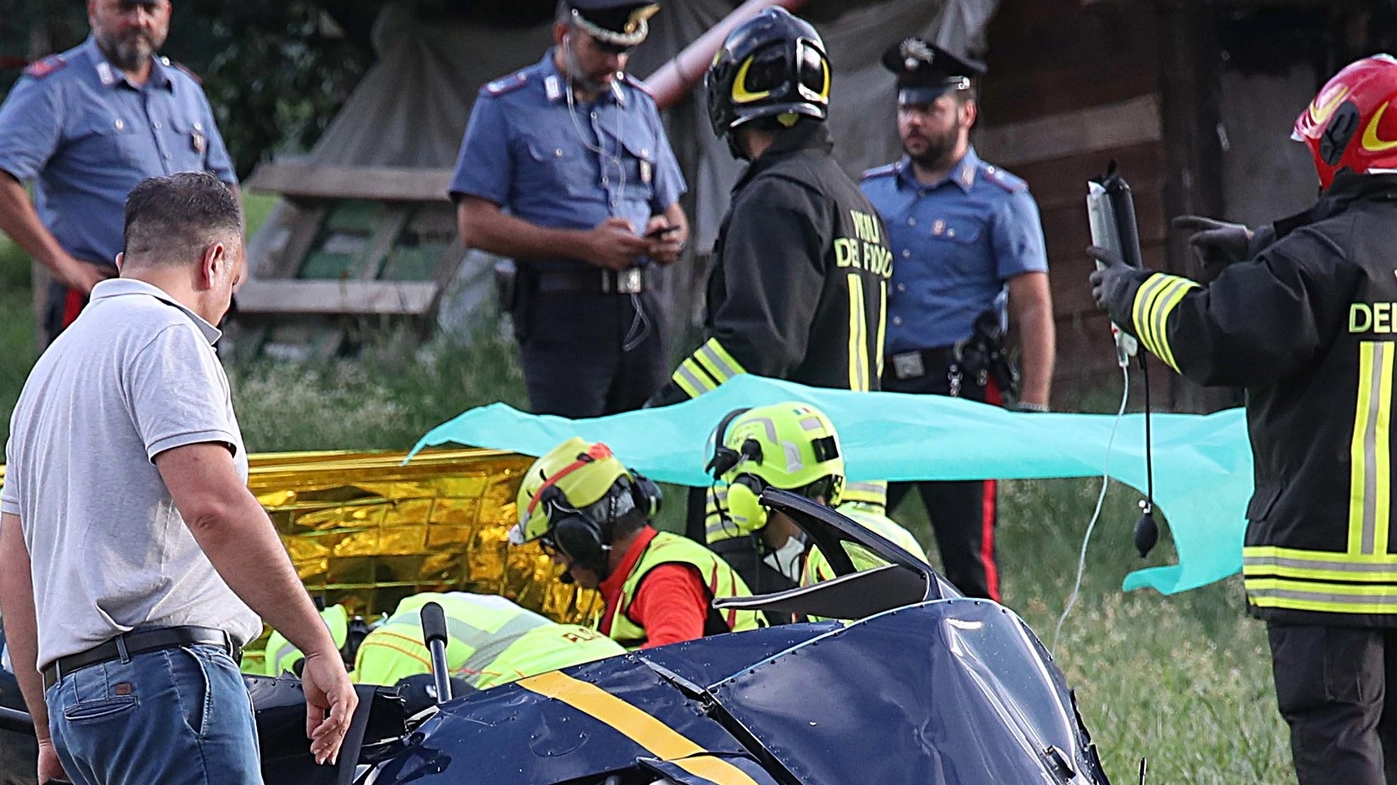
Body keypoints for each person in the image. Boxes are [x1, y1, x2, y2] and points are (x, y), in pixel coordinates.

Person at [1088, 55, 1397, 785]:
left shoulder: (1318, 260)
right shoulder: (1316, 258)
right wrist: (1262, 248)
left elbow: (1213, 334)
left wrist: (1129, 293)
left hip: (1328, 575)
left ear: (1343, 141)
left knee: (1339, 743)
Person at [0, 173, 356, 785]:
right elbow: (214, 507)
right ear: (216, 261)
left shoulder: (49, 368)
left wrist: (44, 726)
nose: (224, 305)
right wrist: (317, 644)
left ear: (123, 261)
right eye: (233, 286)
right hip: (168, 685)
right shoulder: (168, 336)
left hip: (77, 704)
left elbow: (14, 555)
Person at [859, 37, 1055, 602]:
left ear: (966, 113)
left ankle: (993, 676)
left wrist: (1034, 405)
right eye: (905, 108)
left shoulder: (1001, 199)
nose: (913, 121)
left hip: (959, 395)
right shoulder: (873, 193)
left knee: (967, 559)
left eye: (929, 108)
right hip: (882, 393)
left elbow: (1034, 304)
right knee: (849, 536)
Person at [451, 0, 688, 419]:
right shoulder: (506, 104)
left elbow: (674, 214)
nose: (614, 63)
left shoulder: (638, 105)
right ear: (565, 36)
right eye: (601, 48)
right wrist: (584, 246)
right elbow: (475, 225)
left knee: (645, 457)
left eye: (623, 51)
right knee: (576, 462)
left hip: (640, 307)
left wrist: (666, 237)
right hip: (562, 311)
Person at [646, 7, 890, 407]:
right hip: (858, 456)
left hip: (792, 459)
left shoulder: (776, 198)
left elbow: (756, 345)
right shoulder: (856, 203)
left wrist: (668, 410)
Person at [0, 0, 238, 346]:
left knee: (189, 399)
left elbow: (224, 182)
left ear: (167, 14)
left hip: (191, 300)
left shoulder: (185, 90)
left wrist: (233, 259)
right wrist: (65, 266)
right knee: (94, 401)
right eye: (124, 8)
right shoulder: (55, 88)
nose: (138, 20)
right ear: (94, 10)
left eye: (150, 8)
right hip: (100, 297)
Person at [510, 438, 761, 649]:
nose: (555, 560)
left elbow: (673, 665)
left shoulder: (665, 577)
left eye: (552, 546)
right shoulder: (635, 575)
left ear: (578, 538)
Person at [705, 403, 926, 611]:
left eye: (822, 489)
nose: (819, 506)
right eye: (809, 494)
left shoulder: (830, 565)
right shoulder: (872, 533)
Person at [352, 592, 624, 690]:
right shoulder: (435, 603)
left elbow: (379, 735)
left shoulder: (384, 645)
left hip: (543, 685)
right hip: (614, 659)